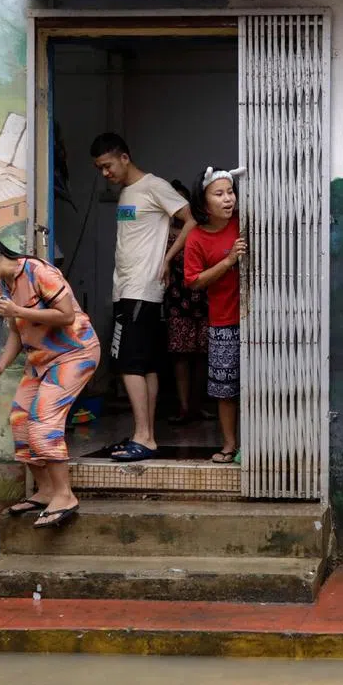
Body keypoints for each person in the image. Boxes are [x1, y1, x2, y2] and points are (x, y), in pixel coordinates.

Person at [0, 231, 100, 529]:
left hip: (74, 354)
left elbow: (67, 315)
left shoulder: (39, 271)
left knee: (44, 421)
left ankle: (64, 495)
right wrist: (1, 365)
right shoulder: (4, 286)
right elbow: (18, 332)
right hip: (40, 360)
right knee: (20, 420)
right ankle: (45, 491)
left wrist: (17, 310)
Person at [89, 133, 191, 462]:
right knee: (145, 364)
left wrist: (168, 258)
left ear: (124, 157)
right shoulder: (128, 194)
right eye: (99, 169)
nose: (105, 174)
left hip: (141, 289)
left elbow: (191, 220)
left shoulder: (153, 186)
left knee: (129, 363)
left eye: (107, 166)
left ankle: (144, 437)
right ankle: (144, 435)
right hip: (128, 288)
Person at [184, 166, 246, 464]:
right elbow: (194, 281)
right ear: (203, 200)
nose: (227, 199)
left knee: (257, 383)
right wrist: (228, 261)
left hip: (256, 318)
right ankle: (229, 445)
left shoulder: (244, 223)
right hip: (223, 320)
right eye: (219, 194)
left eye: (230, 192)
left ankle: (259, 443)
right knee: (225, 389)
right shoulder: (196, 238)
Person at [165, 178, 212, 425]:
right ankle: (184, 408)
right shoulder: (163, 234)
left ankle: (199, 405)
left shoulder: (203, 231)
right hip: (177, 300)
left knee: (203, 356)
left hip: (203, 299)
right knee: (181, 357)